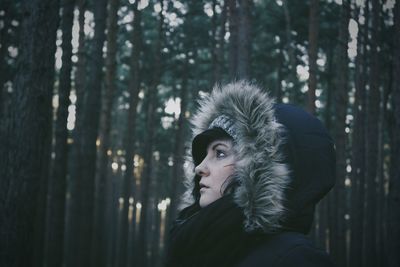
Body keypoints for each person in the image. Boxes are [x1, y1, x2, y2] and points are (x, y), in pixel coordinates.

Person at [165, 81, 336, 267]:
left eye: (220, 153)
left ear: (261, 172)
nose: (199, 168)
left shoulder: (295, 259)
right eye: (204, 155)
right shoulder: (203, 248)